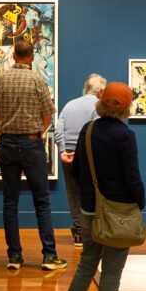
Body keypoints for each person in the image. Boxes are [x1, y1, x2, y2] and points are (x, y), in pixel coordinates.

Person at [58, 82, 144, 291]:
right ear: (126, 108)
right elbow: (132, 177)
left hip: (89, 209)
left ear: (101, 102)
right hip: (118, 212)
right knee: (111, 271)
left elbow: (77, 170)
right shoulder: (125, 136)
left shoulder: (88, 129)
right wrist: (140, 201)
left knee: (87, 263)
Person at [0, 38, 66, 271]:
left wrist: (7, 124)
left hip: (7, 143)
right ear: (32, 57)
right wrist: (38, 132)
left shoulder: (0, 78)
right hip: (31, 144)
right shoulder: (38, 79)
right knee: (41, 201)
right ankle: (49, 256)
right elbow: (48, 115)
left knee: (10, 202)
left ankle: (14, 256)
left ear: (13, 55)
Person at [55, 74, 105, 248]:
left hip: (68, 155)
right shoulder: (99, 106)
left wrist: (63, 151)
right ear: (100, 91)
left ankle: (78, 233)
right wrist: (82, 152)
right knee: (94, 192)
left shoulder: (69, 105)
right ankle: (93, 232)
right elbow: (97, 132)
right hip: (89, 155)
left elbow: (58, 131)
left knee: (73, 193)